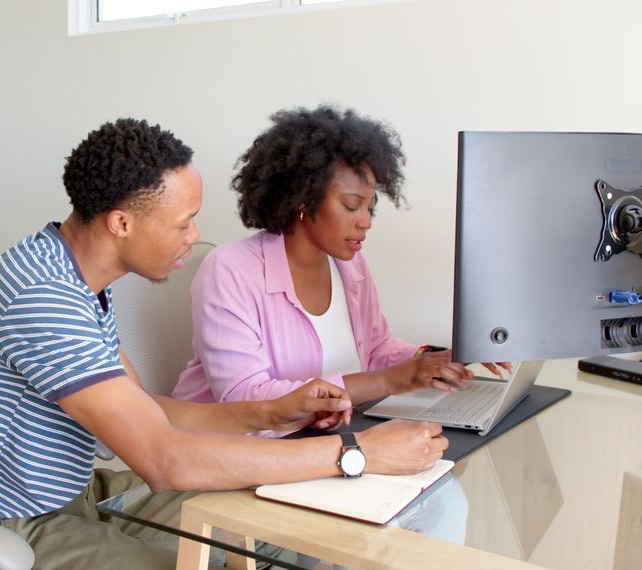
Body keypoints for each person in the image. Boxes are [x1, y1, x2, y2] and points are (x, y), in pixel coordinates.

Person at [0, 118, 448, 570]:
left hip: (73, 495)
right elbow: (166, 462)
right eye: (184, 222)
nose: (195, 236)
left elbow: (147, 411)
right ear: (121, 223)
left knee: (274, 521)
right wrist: (356, 453)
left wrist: (274, 411)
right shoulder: (43, 299)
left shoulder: (71, 275)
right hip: (4, 525)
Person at [172, 105, 505, 430]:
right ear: (303, 198)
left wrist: (434, 360)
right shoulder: (230, 270)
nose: (365, 222)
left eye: (370, 208)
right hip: (232, 454)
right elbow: (245, 400)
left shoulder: (349, 265)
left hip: (318, 439)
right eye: (351, 205)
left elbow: (377, 350)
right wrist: (392, 380)